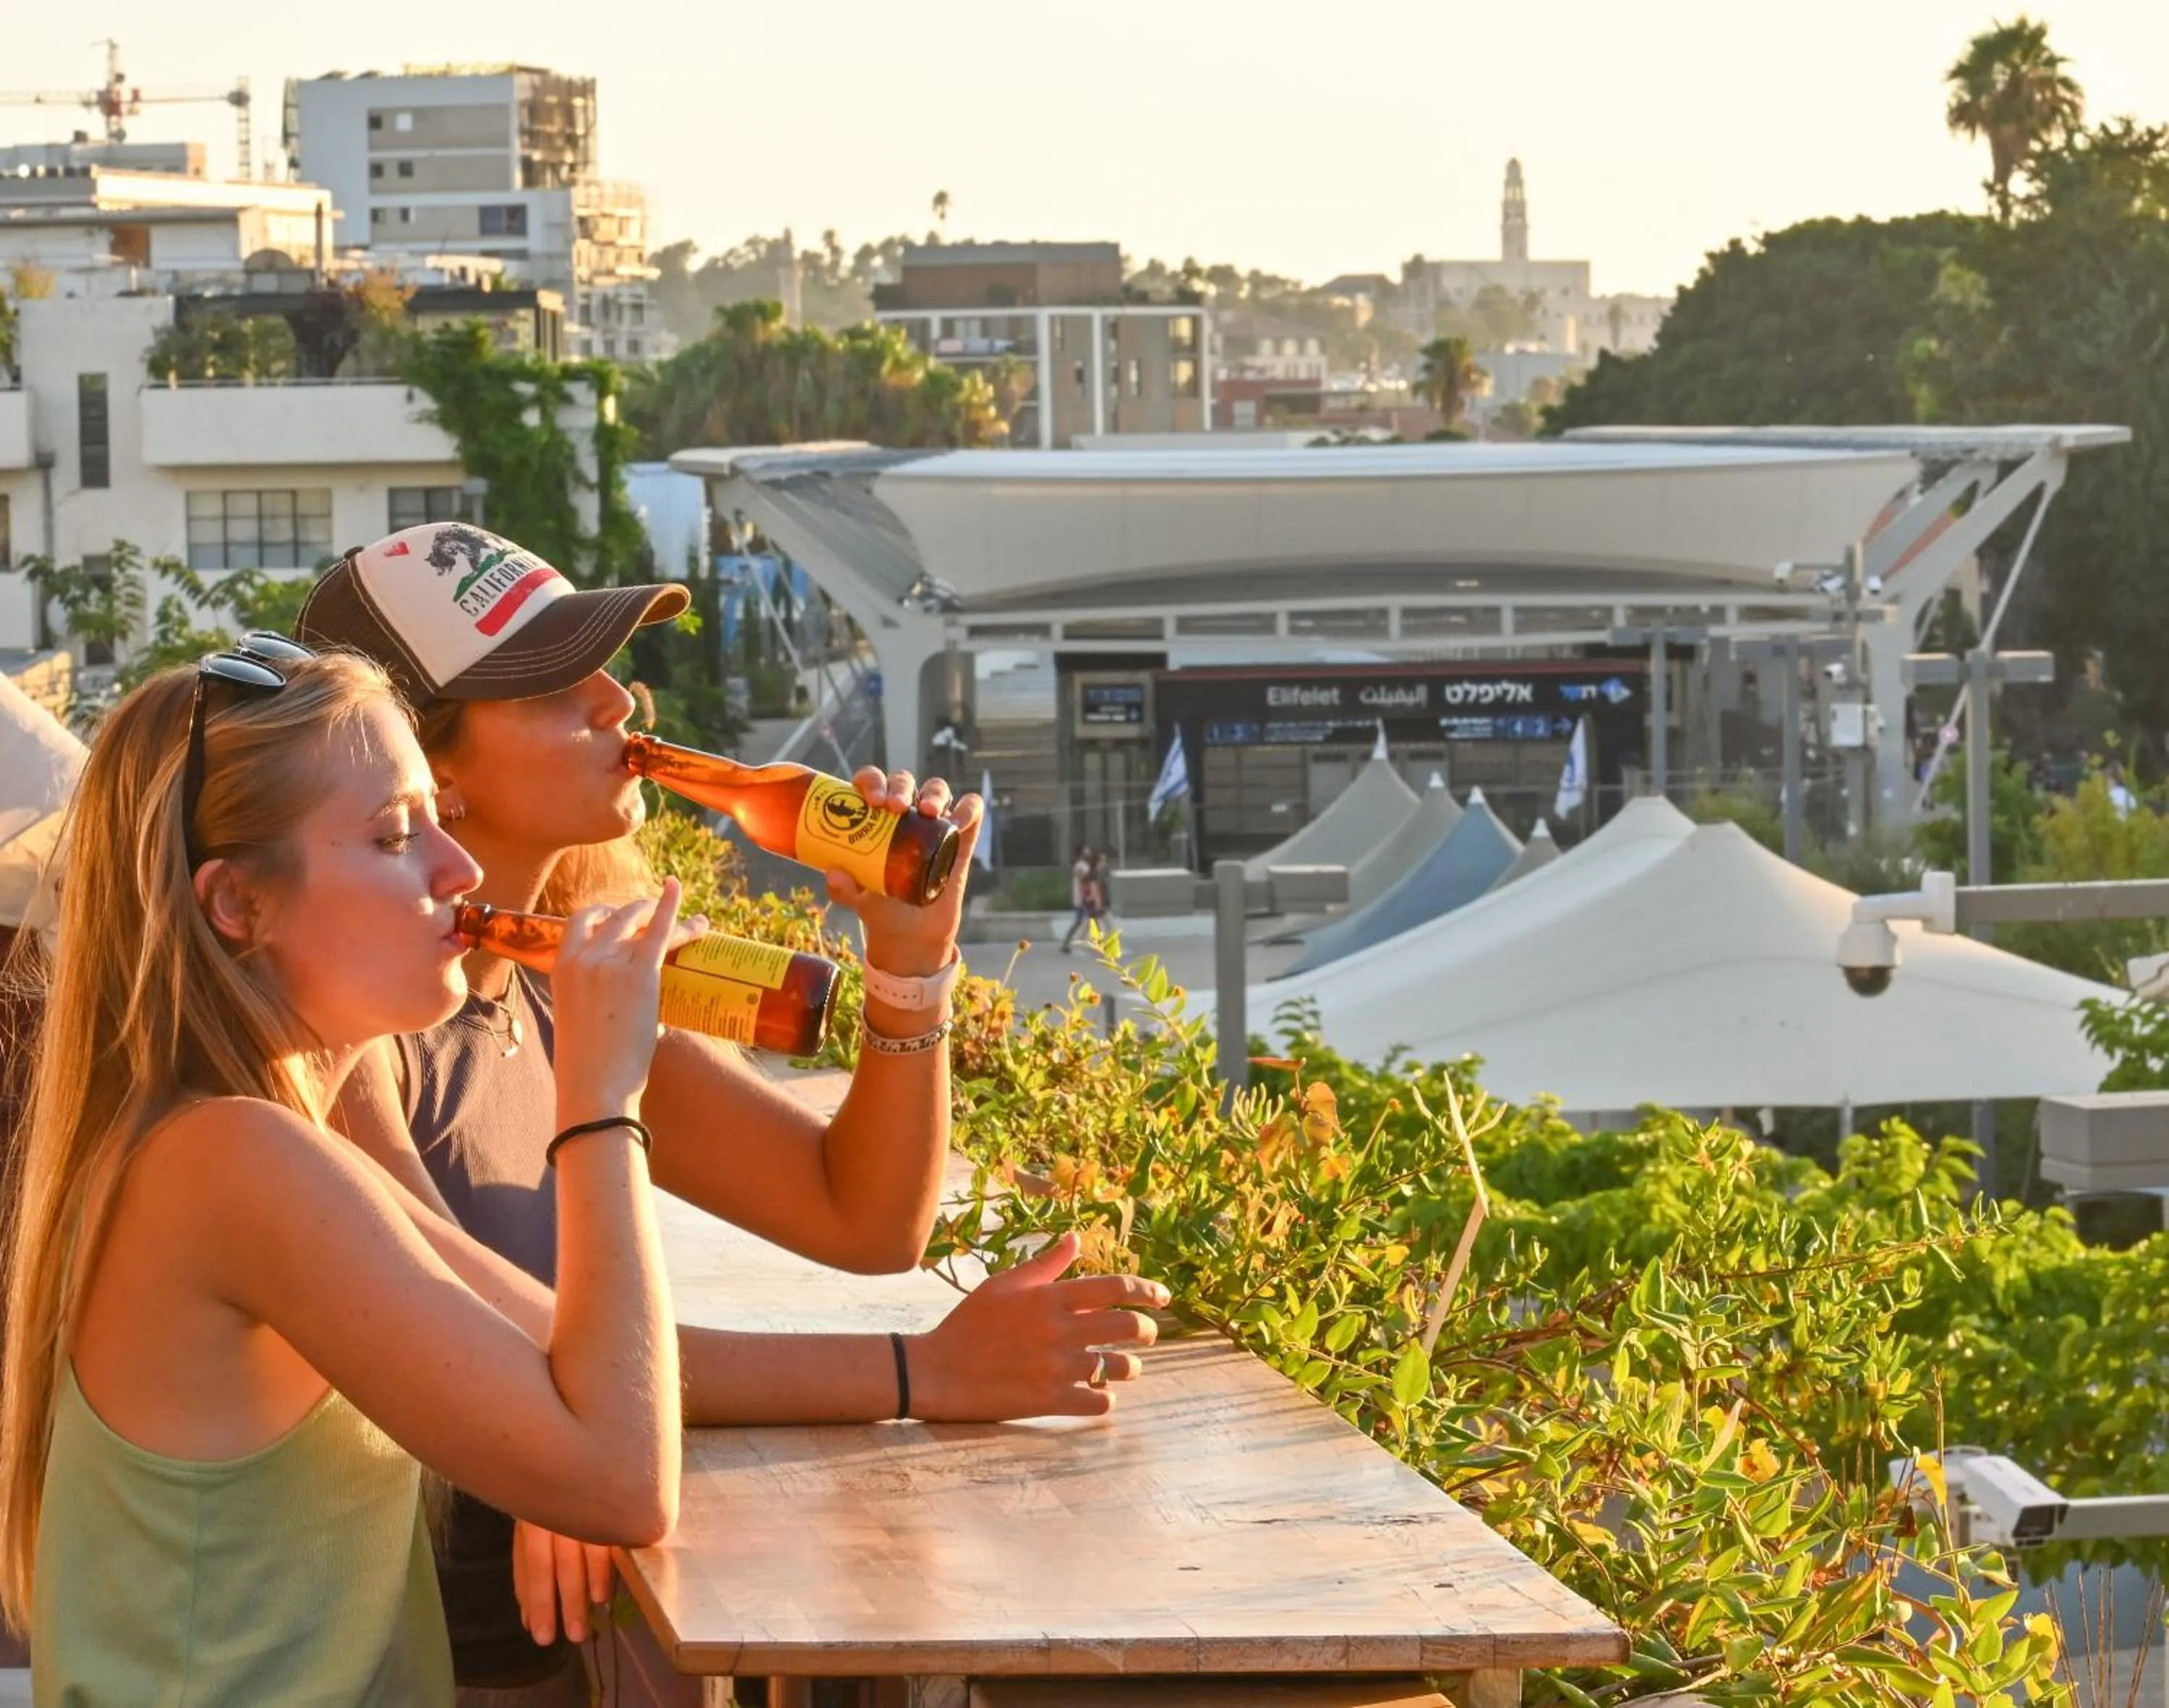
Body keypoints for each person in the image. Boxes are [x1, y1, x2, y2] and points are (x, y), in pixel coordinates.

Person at [296, 526, 1167, 1704]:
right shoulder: (351, 1041)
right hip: (443, 1667)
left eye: (608, 663)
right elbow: (530, 1363)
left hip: (592, 1631)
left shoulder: (566, 978)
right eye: (559, 686)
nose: (622, 698)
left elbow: (860, 1217)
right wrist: (924, 1373)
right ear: (426, 770)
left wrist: (911, 963)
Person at [0, 641, 689, 1704]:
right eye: (395, 836)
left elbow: (562, 1360)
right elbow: (622, 1474)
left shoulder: (264, 1134)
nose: (460, 873)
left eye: (439, 822)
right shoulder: (234, 1161)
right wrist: (602, 1101)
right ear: (238, 905)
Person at [1061, 842, 1097, 954]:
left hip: (1085, 898)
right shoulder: (1080, 866)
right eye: (1087, 850)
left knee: (1085, 921)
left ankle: (1067, 943)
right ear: (1082, 853)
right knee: (1089, 920)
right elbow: (1083, 877)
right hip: (1083, 899)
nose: (1089, 852)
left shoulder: (1085, 865)